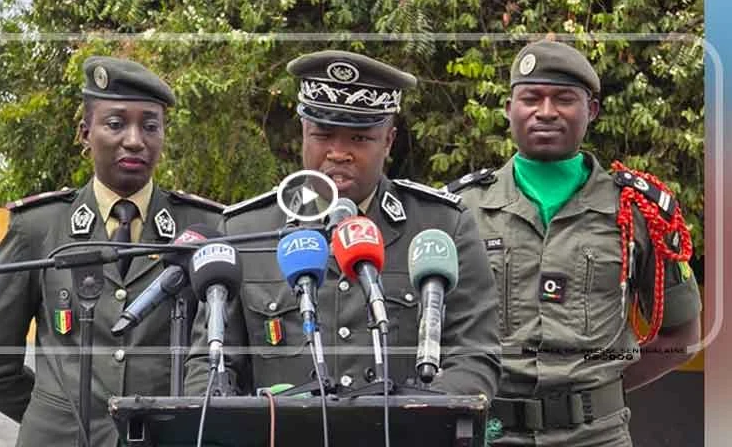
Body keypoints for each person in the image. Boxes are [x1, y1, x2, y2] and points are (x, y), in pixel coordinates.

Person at [183, 50, 500, 401]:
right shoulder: (244, 231)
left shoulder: (441, 227)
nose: (338, 153)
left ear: (389, 141)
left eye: (359, 138)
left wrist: (411, 419)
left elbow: (475, 358)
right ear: (303, 133)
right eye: (323, 135)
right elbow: (209, 367)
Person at [446, 40, 702, 446]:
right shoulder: (460, 210)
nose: (545, 112)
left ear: (592, 110)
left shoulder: (637, 210)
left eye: (564, 99)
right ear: (510, 107)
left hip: (597, 437)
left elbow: (681, 337)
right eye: (531, 98)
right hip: (489, 435)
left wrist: (597, 393)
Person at [0, 56, 224, 446]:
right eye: (116, 124)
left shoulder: (202, 228)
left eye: (150, 126)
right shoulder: (39, 226)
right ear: (86, 133)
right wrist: (56, 414)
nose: (135, 139)